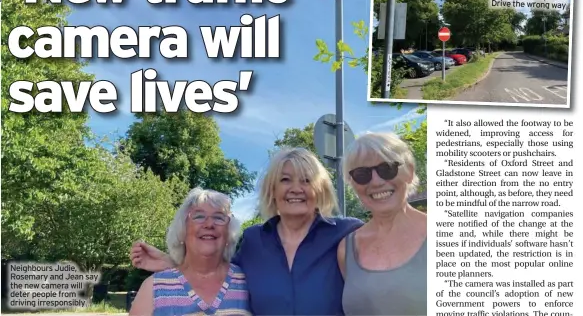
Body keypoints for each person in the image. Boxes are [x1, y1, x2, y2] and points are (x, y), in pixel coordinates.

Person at [131, 147, 363, 315]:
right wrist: (171, 263)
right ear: (272, 190)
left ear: (320, 189)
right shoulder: (254, 239)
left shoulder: (347, 233)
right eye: (285, 180)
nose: (295, 189)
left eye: (306, 180)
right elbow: (217, 275)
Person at [338, 132, 427, 315]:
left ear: (409, 171)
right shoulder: (346, 249)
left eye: (387, 168)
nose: (377, 182)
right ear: (352, 184)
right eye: (362, 174)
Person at [129, 188, 251, 316]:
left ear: (229, 233)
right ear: (182, 230)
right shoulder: (154, 288)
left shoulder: (248, 282)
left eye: (219, 218)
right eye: (199, 216)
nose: (209, 224)